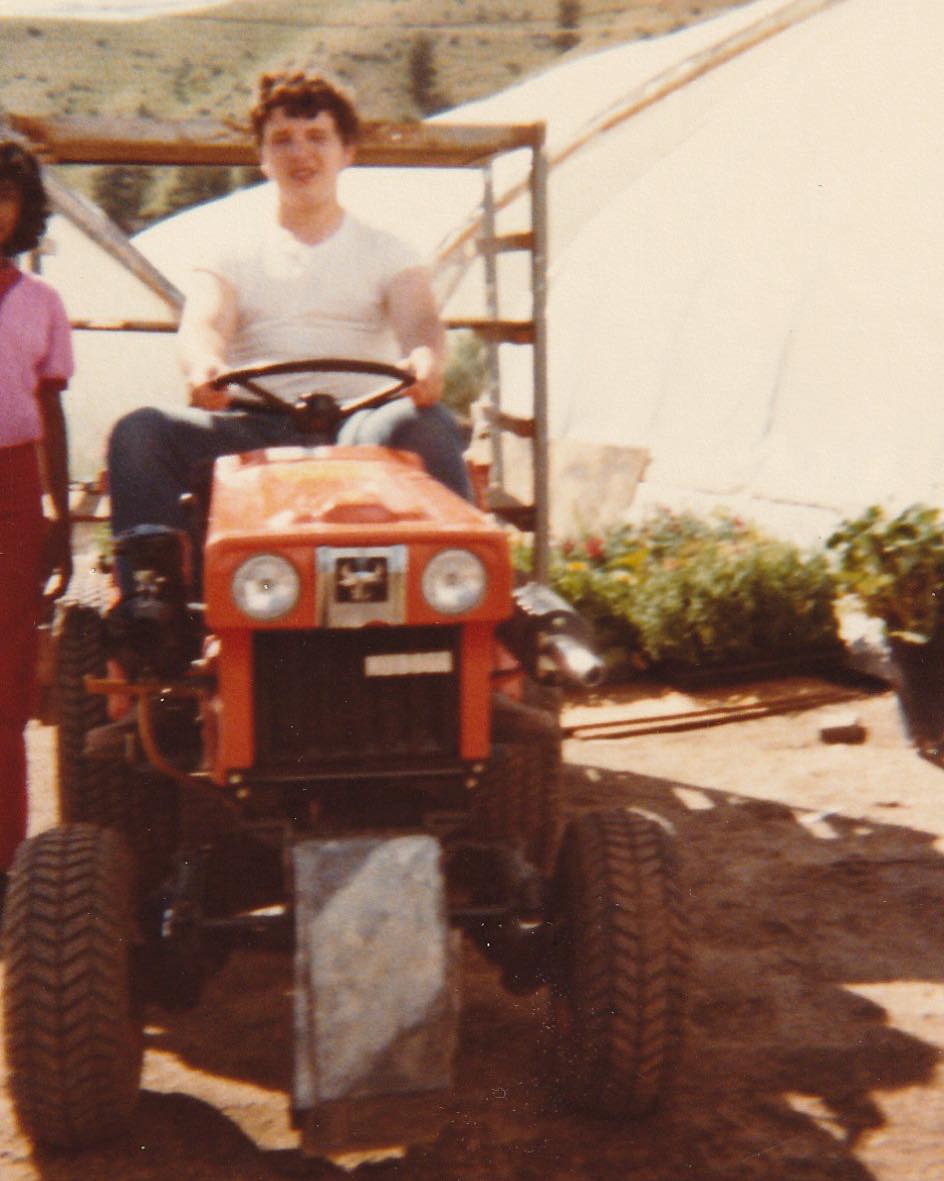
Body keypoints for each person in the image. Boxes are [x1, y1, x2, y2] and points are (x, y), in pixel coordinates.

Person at [107, 70, 471, 586]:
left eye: (317, 137)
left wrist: (426, 360)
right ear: (263, 157)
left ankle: (461, 583)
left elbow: (420, 321)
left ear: (347, 152)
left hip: (361, 423)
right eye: (282, 140)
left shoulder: (389, 250)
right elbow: (205, 322)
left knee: (424, 422)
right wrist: (204, 365)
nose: (301, 153)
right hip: (255, 426)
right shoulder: (228, 251)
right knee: (140, 432)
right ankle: (153, 600)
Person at [0, 140, 73, 904]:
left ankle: (4, 867)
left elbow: (51, 411)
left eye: (3, 195)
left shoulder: (40, 302)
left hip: (15, 489)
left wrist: (60, 511)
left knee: (6, 682)